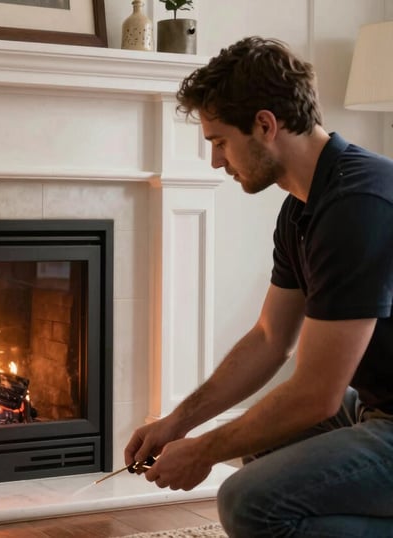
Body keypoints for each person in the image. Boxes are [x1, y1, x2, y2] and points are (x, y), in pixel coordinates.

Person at [123, 36, 393, 537]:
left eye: (220, 141)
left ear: (265, 125)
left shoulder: (360, 204)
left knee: (248, 503)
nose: (216, 162)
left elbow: (317, 395)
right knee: (262, 441)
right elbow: (271, 337)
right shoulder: (302, 210)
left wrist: (203, 451)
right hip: (377, 407)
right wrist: (177, 423)